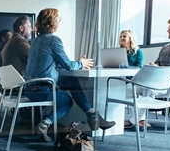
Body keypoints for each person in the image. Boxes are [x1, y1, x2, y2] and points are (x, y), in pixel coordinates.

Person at [24, 8, 115, 142]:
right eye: (58, 19)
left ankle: (92, 115)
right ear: (52, 21)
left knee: (73, 82)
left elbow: (52, 63)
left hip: (29, 89)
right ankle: (45, 124)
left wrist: (77, 62)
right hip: (42, 89)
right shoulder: (53, 40)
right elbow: (68, 65)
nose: (59, 22)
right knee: (67, 102)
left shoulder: (35, 41)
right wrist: (81, 63)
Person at [118, 30, 148, 128]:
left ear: (130, 38)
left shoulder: (138, 52)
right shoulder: (118, 51)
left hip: (134, 79)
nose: (122, 38)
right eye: (121, 36)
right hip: (120, 79)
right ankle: (140, 120)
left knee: (130, 91)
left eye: (124, 36)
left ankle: (138, 120)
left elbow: (139, 67)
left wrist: (127, 67)